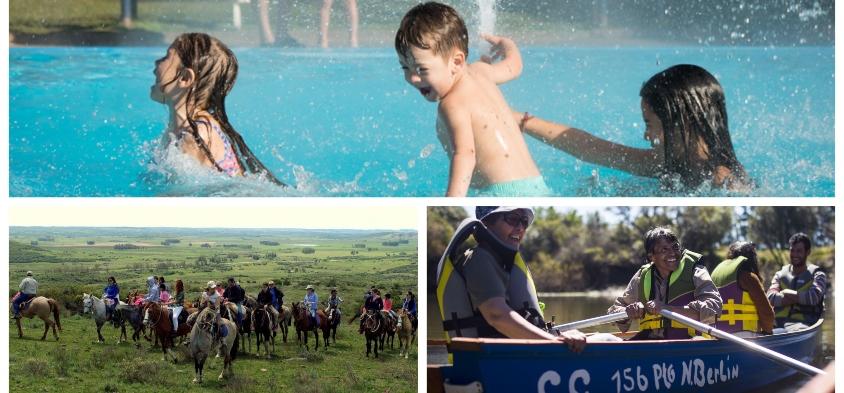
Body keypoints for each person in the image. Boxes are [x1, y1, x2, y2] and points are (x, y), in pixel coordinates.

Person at [394, 2, 550, 197]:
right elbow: (514, 66)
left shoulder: (451, 104)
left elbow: (465, 156)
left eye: (421, 69)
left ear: (457, 62)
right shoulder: (481, 71)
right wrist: (508, 45)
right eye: (404, 68)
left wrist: (450, 202)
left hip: (502, 192)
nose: (412, 78)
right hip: (536, 184)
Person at [518, 64, 752, 192]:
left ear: (682, 122)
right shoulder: (665, 163)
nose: (646, 135)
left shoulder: (725, 184)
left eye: (650, 124)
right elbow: (590, 148)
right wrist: (520, 121)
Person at [436, 206, 586, 351]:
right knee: (609, 340)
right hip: (494, 361)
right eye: (513, 219)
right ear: (487, 222)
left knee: (602, 337)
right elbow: (496, 315)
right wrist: (553, 342)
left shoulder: (500, 261)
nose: (521, 228)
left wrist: (559, 335)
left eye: (524, 221)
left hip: (516, 353)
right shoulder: (480, 258)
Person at [150, 33, 285, 186]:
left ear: (185, 78)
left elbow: (182, 195)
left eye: (165, 58)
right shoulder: (187, 126)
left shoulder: (194, 136)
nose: (156, 63)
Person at [608, 226, 723, 340]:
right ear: (651, 256)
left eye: (675, 247)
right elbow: (615, 310)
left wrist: (666, 308)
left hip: (690, 342)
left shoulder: (696, 271)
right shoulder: (641, 276)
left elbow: (714, 307)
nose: (672, 253)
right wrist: (629, 311)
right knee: (606, 339)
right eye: (664, 249)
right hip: (651, 343)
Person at [710, 242, 774, 336]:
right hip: (746, 339)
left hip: (717, 337)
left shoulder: (714, 276)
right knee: (781, 331)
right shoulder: (748, 277)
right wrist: (768, 331)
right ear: (752, 259)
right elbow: (767, 317)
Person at [767, 233, 827, 328]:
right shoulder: (779, 274)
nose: (794, 254)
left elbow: (814, 297)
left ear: (808, 252)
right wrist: (800, 298)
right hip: (776, 325)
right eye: (792, 250)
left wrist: (786, 292)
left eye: (799, 251)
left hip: (804, 324)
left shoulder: (818, 275)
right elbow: (770, 297)